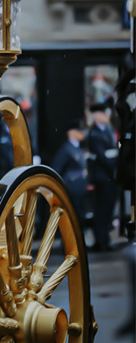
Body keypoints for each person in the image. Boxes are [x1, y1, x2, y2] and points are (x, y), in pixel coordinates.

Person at [87, 101, 119, 252]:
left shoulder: (107, 131)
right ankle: (101, 241)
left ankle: (104, 240)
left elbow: (111, 151)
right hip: (102, 176)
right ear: (97, 116)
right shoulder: (95, 133)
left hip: (109, 176)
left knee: (107, 210)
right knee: (101, 210)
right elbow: (103, 155)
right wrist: (114, 161)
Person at [52, 120, 89, 230]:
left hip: (80, 188)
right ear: (71, 133)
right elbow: (56, 168)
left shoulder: (78, 148)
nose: (82, 133)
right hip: (71, 188)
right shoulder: (66, 149)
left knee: (80, 217)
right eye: (78, 131)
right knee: (72, 217)